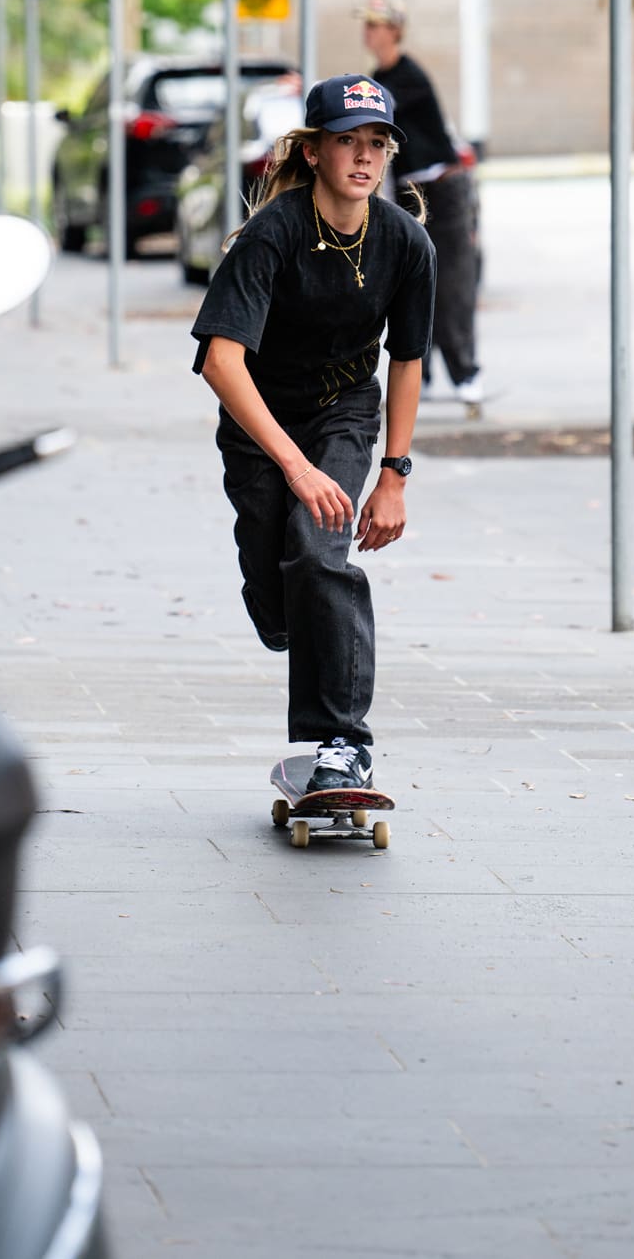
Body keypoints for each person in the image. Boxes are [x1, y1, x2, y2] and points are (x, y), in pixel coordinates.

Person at [191, 72, 436, 792]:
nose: (364, 157)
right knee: (279, 594)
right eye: (346, 142)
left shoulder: (406, 244)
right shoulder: (275, 234)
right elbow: (219, 360)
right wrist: (294, 467)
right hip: (260, 421)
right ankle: (290, 613)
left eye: (377, 144)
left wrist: (393, 474)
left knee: (319, 549)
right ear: (313, 153)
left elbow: (409, 361)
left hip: (343, 412)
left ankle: (342, 743)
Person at [360, 0, 483, 405]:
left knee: (453, 284)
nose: (368, 32)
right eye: (367, 25)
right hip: (412, 193)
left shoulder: (406, 77)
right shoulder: (382, 77)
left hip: (444, 190)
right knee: (413, 280)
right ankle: (422, 372)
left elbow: (377, 110)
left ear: (394, 31)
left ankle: (465, 374)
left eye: (375, 25)